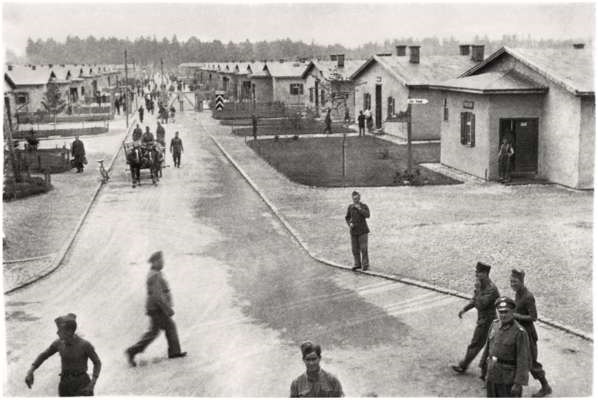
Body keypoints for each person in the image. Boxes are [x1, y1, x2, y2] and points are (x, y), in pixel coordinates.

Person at [126, 251, 187, 366]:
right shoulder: (155, 275)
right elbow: (157, 296)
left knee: (154, 332)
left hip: (155, 308)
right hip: (158, 309)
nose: (163, 262)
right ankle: (174, 352)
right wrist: (167, 309)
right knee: (168, 327)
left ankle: (133, 351)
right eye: (160, 261)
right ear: (155, 262)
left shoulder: (155, 273)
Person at [25, 313, 101, 396]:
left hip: (82, 384)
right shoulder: (58, 343)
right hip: (65, 384)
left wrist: (92, 384)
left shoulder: (85, 345)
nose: (57, 332)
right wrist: (31, 371)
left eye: (60, 330)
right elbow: (43, 355)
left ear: (69, 331)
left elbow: (97, 363)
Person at [451, 262, 500, 377]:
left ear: (485, 274)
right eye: (476, 272)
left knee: (477, 344)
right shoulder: (481, 285)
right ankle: (483, 371)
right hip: (484, 320)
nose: (476, 274)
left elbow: (481, 304)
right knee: (484, 346)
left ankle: (464, 366)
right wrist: (465, 309)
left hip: (488, 322)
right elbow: (474, 300)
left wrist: (478, 290)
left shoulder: (491, 289)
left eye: (478, 272)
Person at [510, 270, 552, 397]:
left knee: (531, 363)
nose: (512, 284)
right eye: (511, 281)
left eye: (515, 282)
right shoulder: (518, 293)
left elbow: (533, 317)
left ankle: (546, 387)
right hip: (519, 331)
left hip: (528, 335)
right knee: (516, 358)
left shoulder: (528, 296)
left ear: (522, 282)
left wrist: (515, 315)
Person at [480, 297, 530, 397]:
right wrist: (483, 365)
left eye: (506, 312)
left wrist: (518, 383)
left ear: (512, 312)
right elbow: (488, 346)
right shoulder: (494, 325)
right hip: (492, 373)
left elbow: (523, 360)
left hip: (507, 378)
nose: (503, 315)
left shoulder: (519, 332)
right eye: (500, 312)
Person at [345, 191, 370, 271]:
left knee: (364, 248)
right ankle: (357, 264)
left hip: (363, 231)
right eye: (354, 198)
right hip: (354, 231)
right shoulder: (350, 207)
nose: (356, 200)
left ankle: (365, 264)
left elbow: (368, 215)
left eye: (357, 198)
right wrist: (350, 224)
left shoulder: (364, 206)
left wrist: (360, 209)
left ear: (360, 198)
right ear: (352, 199)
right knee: (355, 249)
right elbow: (347, 217)